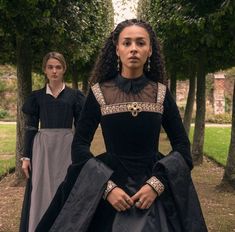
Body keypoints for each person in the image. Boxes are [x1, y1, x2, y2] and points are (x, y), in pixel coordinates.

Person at [36, 20, 207, 232]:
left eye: (140, 43)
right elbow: (79, 146)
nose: (133, 48)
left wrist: (156, 185)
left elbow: (182, 146)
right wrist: (106, 188)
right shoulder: (98, 92)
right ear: (117, 49)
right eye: (127, 43)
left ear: (150, 50)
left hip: (154, 185)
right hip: (109, 184)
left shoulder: (161, 93)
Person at [19, 51, 85, 232]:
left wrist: (82, 155)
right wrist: (26, 156)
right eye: (50, 67)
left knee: (66, 186)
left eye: (58, 67)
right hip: (43, 149)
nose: (54, 71)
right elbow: (31, 127)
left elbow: (81, 129)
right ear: (45, 71)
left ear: (64, 70)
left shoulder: (75, 96)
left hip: (67, 147)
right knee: (41, 189)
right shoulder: (37, 97)